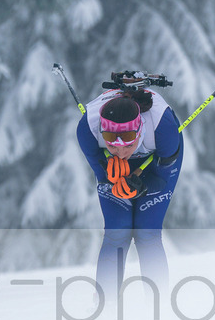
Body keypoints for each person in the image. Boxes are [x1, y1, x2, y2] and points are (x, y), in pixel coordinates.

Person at [76, 82, 183, 306]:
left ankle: (159, 305)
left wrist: (143, 186)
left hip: (156, 162)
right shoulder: (87, 130)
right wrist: (110, 175)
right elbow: (103, 175)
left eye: (127, 144)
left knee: (147, 232)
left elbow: (161, 180)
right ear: (102, 133)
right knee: (117, 231)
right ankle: (104, 305)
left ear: (139, 130)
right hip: (112, 166)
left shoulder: (163, 128)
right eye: (112, 145)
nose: (122, 152)